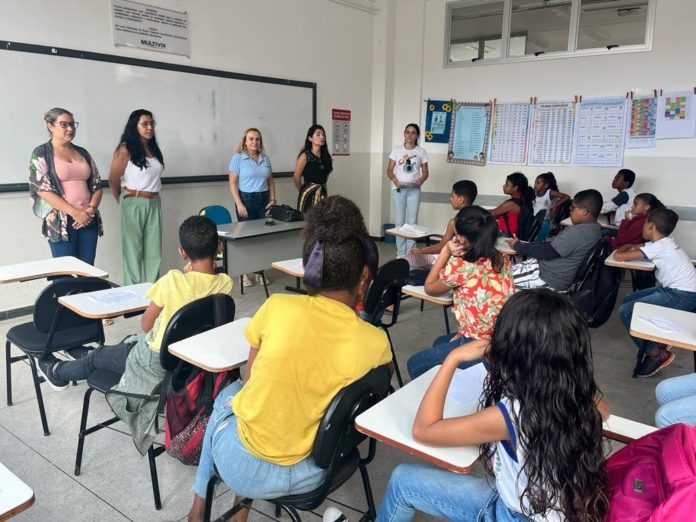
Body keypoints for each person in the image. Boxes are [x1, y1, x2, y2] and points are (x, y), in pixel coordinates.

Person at [187, 196, 392, 522]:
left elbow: (251, 381)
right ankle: (229, 509)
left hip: (239, 464)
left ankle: (200, 503)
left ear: (310, 265)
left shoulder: (277, 307)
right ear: (364, 276)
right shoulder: (375, 343)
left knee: (229, 394)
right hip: (313, 472)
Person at [378, 289, 610, 522]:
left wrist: (452, 359)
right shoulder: (581, 397)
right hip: (558, 510)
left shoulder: (512, 414)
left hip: (514, 515)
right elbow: (604, 411)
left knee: (402, 482)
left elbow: (424, 430)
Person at [35, 216, 233, 454]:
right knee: (121, 348)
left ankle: (58, 372)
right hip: (192, 364)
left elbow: (146, 324)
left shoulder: (172, 280)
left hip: (157, 364)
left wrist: (183, 277)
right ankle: (89, 357)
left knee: (99, 356)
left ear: (182, 252)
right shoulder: (225, 284)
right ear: (219, 247)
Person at [406, 206, 515, 379]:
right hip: (503, 336)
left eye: (456, 234)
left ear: (462, 238)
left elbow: (430, 287)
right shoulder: (502, 258)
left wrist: (446, 251)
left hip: (481, 344)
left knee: (414, 364)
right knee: (438, 343)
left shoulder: (462, 266)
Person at [615, 207, 696, 377]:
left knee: (626, 311)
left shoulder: (660, 247)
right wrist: (631, 247)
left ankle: (657, 354)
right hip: (679, 291)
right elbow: (641, 247)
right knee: (629, 298)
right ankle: (658, 338)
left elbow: (619, 256)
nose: (643, 226)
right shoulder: (665, 242)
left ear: (651, 226)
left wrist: (624, 247)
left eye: (645, 223)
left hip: (682, 296)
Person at [29, 108, 103, 265]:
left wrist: (90, 210)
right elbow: (43, 190)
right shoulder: (41, 153)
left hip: (88, 218)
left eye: (72, 124)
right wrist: (75, 213)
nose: (70, 129)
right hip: (61, 221)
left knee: (88, 269)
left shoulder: (82, 152)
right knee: (65, 272)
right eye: (64, 124)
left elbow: (97, 185)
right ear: (51, 126)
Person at [108, 109, 164, 285]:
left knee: (154, 251)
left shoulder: (152, 148)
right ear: (135, 125)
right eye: (145, 124)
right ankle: (132, 292)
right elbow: (113, 178)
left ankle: (152, 291)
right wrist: (124, 201)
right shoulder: (126, 149)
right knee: (132, 250)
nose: (149, 127)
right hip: (133, 200)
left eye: (152, 124)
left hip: (154, 201)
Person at [507, 189, 602, 291]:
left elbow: (548, 252)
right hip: (548, 271)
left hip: (546, 278)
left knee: (499, 280)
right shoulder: (595, 230)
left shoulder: (578, 232)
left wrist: (518, 246)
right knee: (502, 273)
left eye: (573, 208)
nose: (570, 212)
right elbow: (552, 246)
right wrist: (524, 246)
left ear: (584, 211)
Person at [228, 127, 276, 286]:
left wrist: (272, 199)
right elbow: (233, 183)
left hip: (263, 200)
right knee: (245, 239)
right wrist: (239, 203)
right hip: (246, 200)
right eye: (251, 139)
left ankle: (259, 272)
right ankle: (243, 274)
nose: (254, 142)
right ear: (245, 142)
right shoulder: (238, 158)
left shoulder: (265, 158)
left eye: (257, 139)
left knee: (262, 239)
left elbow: (270, 181)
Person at [402, 180, 477, 270]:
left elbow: (441, 247)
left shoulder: (455, 222)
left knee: (403, 260)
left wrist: (421, 251)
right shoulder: (478, 217)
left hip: (450, 260)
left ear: (461, 199)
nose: (451, 199)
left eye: (452, 196)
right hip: (470, 260)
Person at [386, 123, 430, 257]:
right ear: (404, 134)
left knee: (412, 221)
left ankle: (411, 253)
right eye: (407, 132)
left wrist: (420, 181)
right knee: (399, 221)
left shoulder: (421, 151)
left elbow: (426, 172)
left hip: (414, 190)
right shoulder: (397, 150)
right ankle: (400, 253)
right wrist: (394, 180)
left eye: (413, 133)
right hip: (398, 189)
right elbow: (389, 170)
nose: (410, 135)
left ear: (417, 136)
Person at [293, 124, 333, 213]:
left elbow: (326, 175)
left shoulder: (326, 156)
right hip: (308, 193)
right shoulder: (305, 156)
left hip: (322, 192)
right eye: (318, 135)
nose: (322, 137)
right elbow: (296, 177)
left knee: (322, 221)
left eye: (323, 135)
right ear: (310, 138)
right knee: (309, 222)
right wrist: (304, 191)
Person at [489, 172, 534, 238]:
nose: (504, 186)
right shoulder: (520, 200)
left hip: (506, 236)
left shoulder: (512, 204)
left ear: (515, 188)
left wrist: (474, 211)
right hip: (511, 235)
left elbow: (492, 213)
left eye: (507, 184)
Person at [532, 171, 569, 240]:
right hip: (533, 219)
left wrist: (555, 205)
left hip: (544, 221)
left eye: (538, 183)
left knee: (537, 239)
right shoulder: (534, 192)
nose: (535, 185)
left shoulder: (550, 192)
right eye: (535, 182)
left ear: (545, 185)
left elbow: (567, 196)